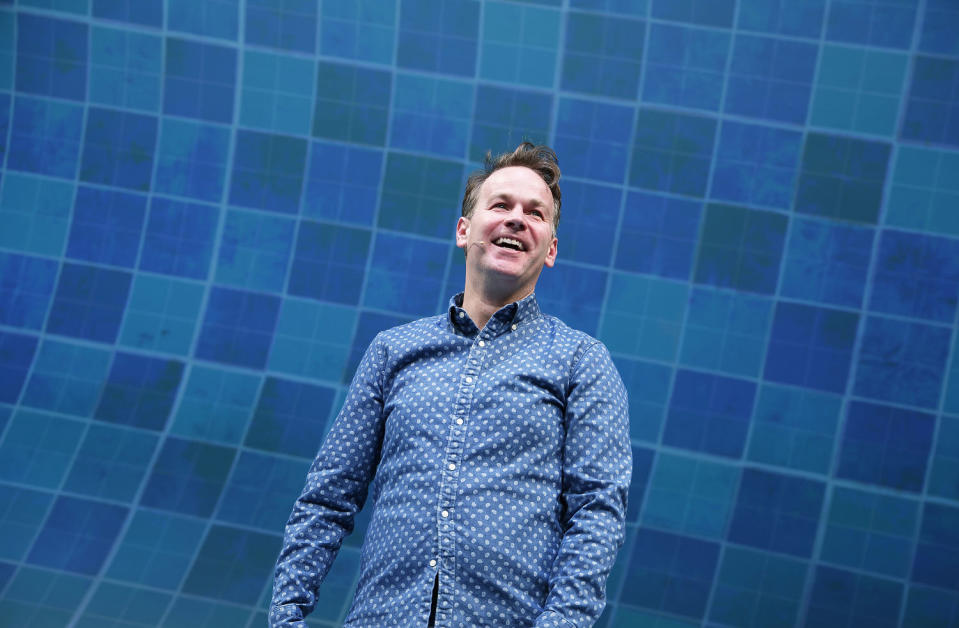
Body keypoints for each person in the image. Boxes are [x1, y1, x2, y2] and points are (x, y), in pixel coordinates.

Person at [270, 142, 632, 627]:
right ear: (464, 230)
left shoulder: (581, 362)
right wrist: (286, 618)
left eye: (536, 213)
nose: (517, 218)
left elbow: (596, 514)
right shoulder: (392, 352)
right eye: (501, 204)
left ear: (551, 249)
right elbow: (327, 499)